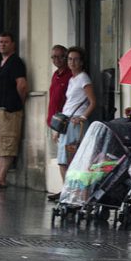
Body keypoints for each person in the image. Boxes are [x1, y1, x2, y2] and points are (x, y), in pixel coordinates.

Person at [0, 32, 28, 188]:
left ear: (13, 44)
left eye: (6, 42)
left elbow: (21, 85)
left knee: (7, 143)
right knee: (0, 145)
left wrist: (18, 102)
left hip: (10, 110)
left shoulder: (15, 62)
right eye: (0, 42)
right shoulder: (1, 62)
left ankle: (1, 177)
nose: (2, 44)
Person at [57, 46, 96, 179]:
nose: (72, 62)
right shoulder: (72, 79)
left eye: (75, 59)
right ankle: (67, 191)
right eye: (69, 59)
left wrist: (83, 117)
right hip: (66, 122)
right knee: (63, 160)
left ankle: (71, 193)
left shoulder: (83, 78)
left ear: (81, 62)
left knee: (70, 159)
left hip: (75, 122)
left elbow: (92, 102)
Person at [46, 44, 71, 200]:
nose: (56, 60)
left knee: (65, 160)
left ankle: (67, 191)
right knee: (59, 159)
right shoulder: (55, 75)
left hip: (63, 124)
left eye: (60, 56)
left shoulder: (70, 76)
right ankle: (64, 189)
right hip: (53, 122)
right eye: (53, 57)